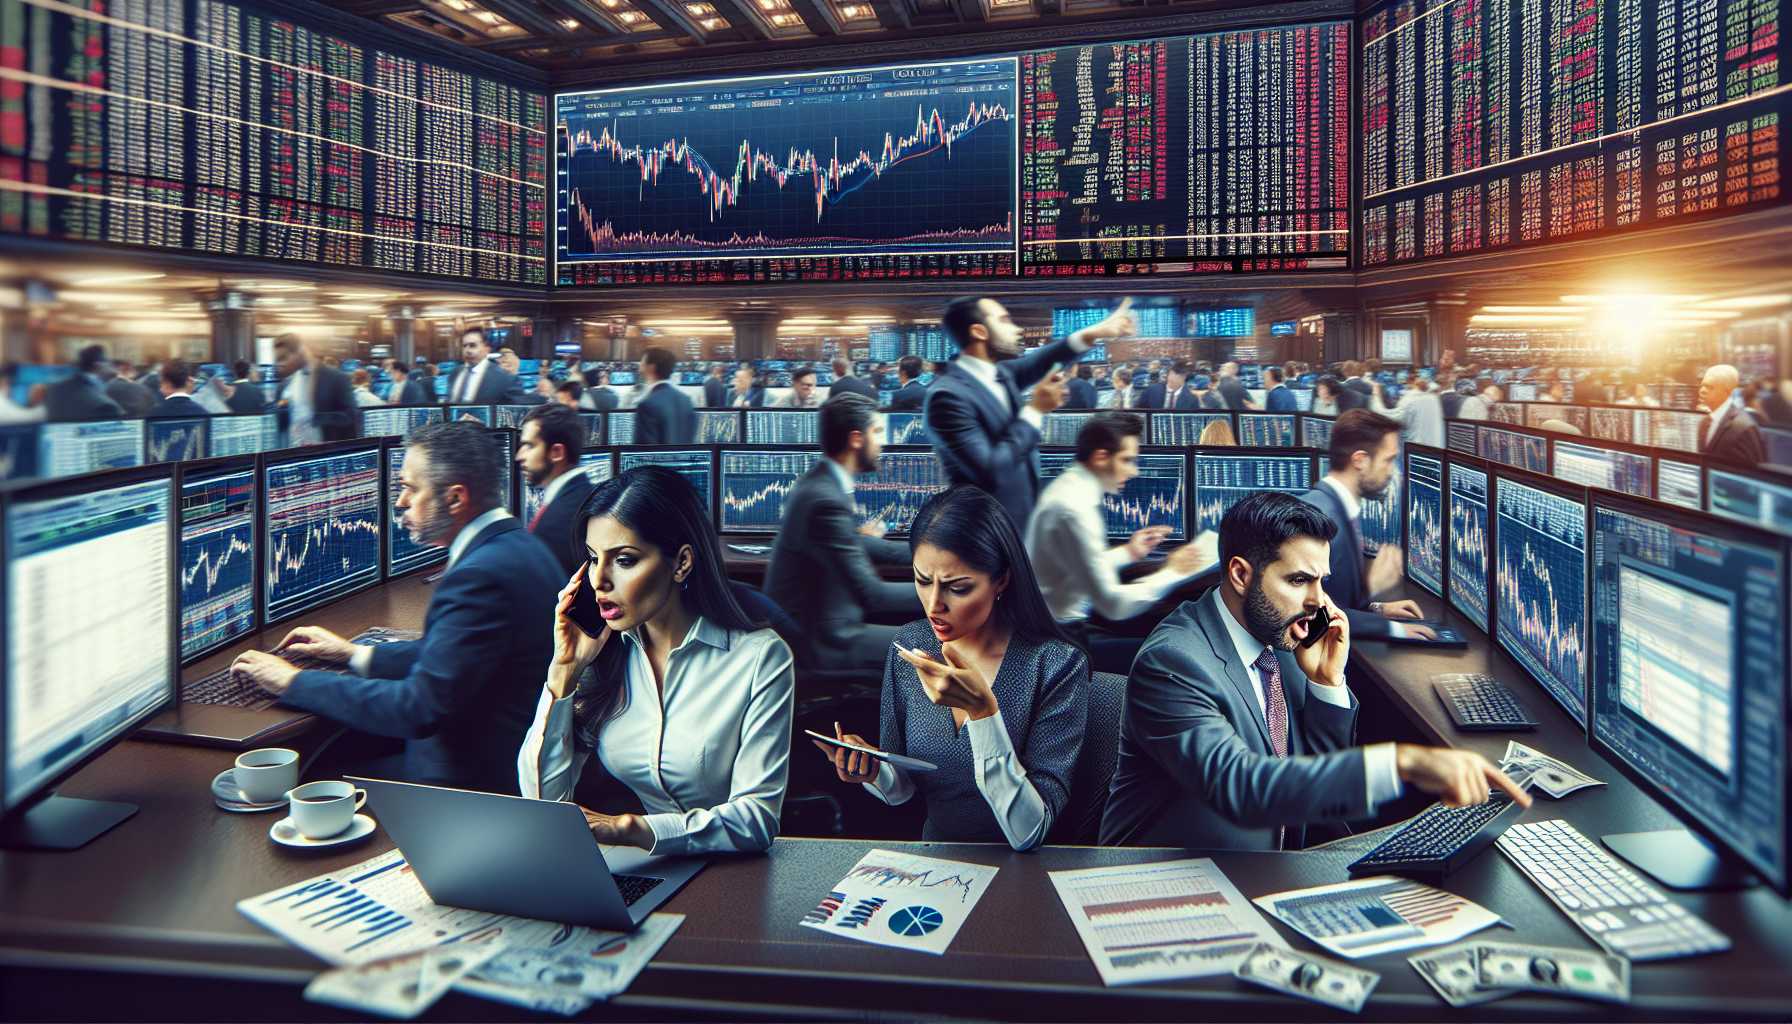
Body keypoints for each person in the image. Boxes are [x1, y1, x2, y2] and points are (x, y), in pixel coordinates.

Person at [1100, 492, 1530, 849]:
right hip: (1179, 885)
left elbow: (1311, 781)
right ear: (1240, 575)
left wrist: (1326, 684)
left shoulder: (1276, 636)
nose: (1319, 602)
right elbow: (1242, 786)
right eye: (1298, 580)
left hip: (1266, 866)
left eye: (1321, 580)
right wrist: (1403, 762)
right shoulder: (1174, 661)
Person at [232, 423, 564, 793]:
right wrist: (354, 654)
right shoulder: (518, 548)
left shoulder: (480, 576)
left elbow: (417, 708)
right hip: (496, 761)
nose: (401, 501)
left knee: (307, 778)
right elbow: (447, 656)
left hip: (460, 788)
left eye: (409, 487)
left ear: (455, 499)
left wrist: (292, 681)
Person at [517, 466, 794, 854]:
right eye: (594, 558)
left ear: (681, 562)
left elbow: (756, 819)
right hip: (652, 867)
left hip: (733, 874)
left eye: (624, 560)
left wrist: (632, 828)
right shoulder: (607, 652)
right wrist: (564, 670)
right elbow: (545, 804)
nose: (599, 580)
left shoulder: (761, 657)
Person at [816, 486, 1089, 851]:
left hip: (1026, 871)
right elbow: (905, 789)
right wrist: (873, 769)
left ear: (1002, 580)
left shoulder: (1056, 664)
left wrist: (983, 714)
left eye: (957, 588)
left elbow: (1030, 832)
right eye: (922, 580)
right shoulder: (910, 645)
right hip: (938, 861)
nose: (933, 605)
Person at [925, 297, 1134, 531]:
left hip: (1020, 526)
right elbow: (991, 471)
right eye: (1005, 321)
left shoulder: (1001, 374)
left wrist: (1096, 332)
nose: (1017, 329)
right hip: (985, 536)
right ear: (979, 331)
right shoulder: (946, 397)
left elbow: (1043, 360)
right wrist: (1035, 410)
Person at [1025, 413, 1218, 662]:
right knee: (1180, 646)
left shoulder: (1069, 488)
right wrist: (1174, 572)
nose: (1133, 470)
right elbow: (1113, 605)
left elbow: (1078, 565)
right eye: (1126, 460)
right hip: (1060, 640)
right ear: (1101, 457)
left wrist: (1130, 552)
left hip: (1054, 625)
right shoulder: (1075, 510)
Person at [764, 393, 920, 671]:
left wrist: (936, 555)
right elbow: (874, 596)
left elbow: (862, 545)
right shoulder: (825, 499)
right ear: (856, 439)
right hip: (825, 643)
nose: (883, 442)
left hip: (821, 627)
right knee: (937, 649)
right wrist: (950, 595)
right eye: (878, 432)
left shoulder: (819, 483)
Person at [1298, 410, 1435, 640]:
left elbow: (1331, 598)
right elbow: (1312, 618)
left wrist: (1376, 607)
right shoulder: (1324, 524)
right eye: (1389, 460)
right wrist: (1392, 627)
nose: (1392, 472)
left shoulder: (1332, 507)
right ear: (1360, 460)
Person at [518, 403, 594, 578]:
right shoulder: (588, 495)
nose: (519, 456)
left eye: (529, 446)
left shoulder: (552, 525)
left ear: (557, 452)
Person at [273, 334, 356, 444]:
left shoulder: (336, 378)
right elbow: (281, 425)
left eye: (283, 358)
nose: (280, 364)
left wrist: (314, 417)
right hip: (293, 455)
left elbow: (351, 416)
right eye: (278, 360)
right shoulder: (284, 385)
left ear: (300, 351)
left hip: (324, 454)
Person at [1699, 363, 1767, 466]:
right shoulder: (1704, 424)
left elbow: (1755, 475)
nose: (1702, 391)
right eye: (1702, 385)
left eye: (1710, 387)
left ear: (1727, 391)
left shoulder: (1744, 427)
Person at [44, 345, 125, 422]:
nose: (114, 366)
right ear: (98, 365)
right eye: (110, 362)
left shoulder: (53, 389)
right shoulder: (107, 406)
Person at [445, 328, 524, 405]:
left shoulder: (506, 379)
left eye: (472, 345)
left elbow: (517, 412)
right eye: (464, 346)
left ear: (486, 349)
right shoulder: (454, 373)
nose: (467, 350)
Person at [634, 346, 696, 444]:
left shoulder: (647, 404)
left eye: (642, 362)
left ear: (651, 367)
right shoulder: (686, 400)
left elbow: (644, 452)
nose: (639, 366)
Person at [1371, 376, 1445, 448]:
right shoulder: (1434, 399)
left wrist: (1376, 394)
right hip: (1437, 450)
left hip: (1417, 453)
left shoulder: (1410, 401)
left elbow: (1383, 416)